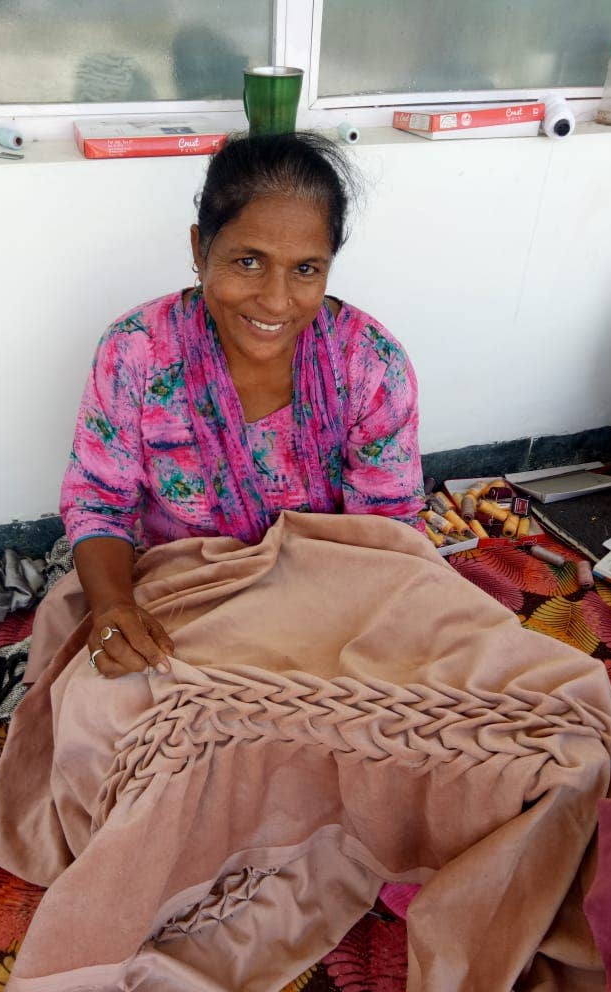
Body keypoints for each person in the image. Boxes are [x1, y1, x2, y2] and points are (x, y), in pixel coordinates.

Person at [60, 132, 425, 680]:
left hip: (334, 592)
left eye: (306, 269)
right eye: (248, 261)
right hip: (180, 599)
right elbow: (100, 504)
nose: (277, 301)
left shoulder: (369, 363)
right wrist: (113, 608)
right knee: (113, 711)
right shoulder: (136, 350)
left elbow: (388, 528)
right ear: (199, 250)